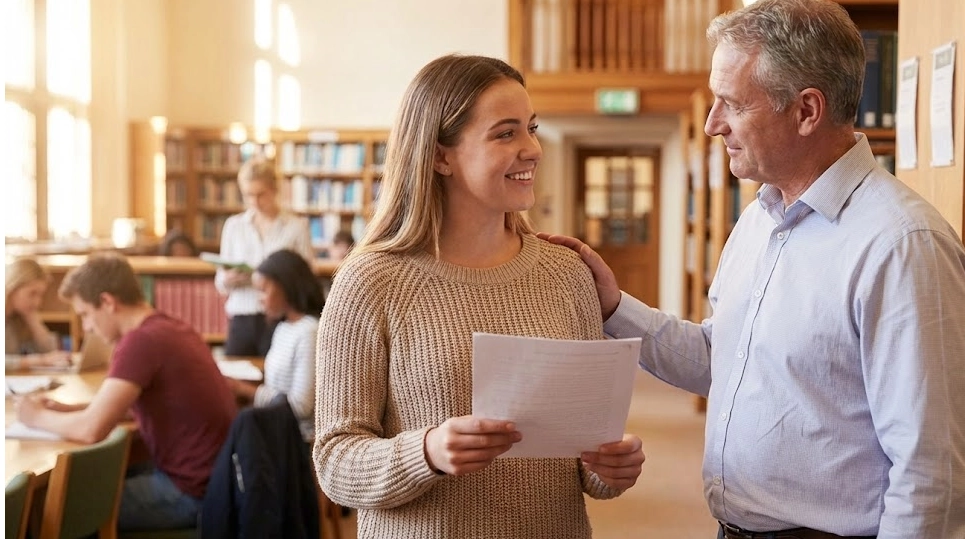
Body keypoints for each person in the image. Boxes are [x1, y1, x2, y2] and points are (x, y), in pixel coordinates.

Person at [543, 0, 965, 537]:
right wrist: (614, 308)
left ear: (807, 111)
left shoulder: (902, 245)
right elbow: (725, 361)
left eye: (732, 104)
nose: (712, 124)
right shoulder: (758, 219)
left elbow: (931, 472)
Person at [313, 53, 645, 539]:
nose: (532, 148)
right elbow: (335, 460)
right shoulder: (370, 281)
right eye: (505, 133)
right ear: (440, 155)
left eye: (531, 128)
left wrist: (610, 467)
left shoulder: (567, 276)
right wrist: (425, 452)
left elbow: (583, 458)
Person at [14, 253, 237, 531]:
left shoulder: (140, 342)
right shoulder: (169, 326)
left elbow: (90, 430)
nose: (87, 328)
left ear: (107, 302)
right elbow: (130, 407)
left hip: (190, 493)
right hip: (213, 481)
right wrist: (70, 410)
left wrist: (33, 416)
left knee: (46, 510)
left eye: (85, 314)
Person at [215, 156, 314, 357]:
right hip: (242, 316)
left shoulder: (295, 227)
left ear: (274, 190)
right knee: (234, 375)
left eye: (261, 194)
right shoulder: (234, 226)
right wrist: (227, 279)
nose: (255, 202)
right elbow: (220, 282)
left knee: (274, 380)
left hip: (280, 318)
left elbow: (307, 276)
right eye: (248, 195)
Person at [225, 248, 324, 440]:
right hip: (275, 429)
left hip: (295, 439)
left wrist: (245, 391)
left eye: (263, 290)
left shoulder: (309, 332)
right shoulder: (283, 328)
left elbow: (301, 407)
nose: (259, 300)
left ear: (286, 286)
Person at [5, 258, 72, 370]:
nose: (37, 302)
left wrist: (33, 321)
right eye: (32, 294)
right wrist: (39, 360)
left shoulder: (18, 317)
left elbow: (51, 352)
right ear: (12, 288)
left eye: (41, 295)